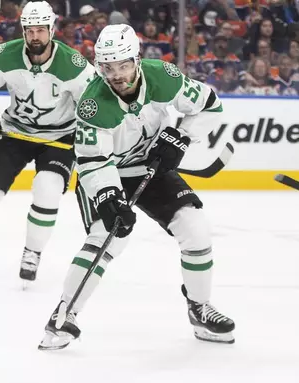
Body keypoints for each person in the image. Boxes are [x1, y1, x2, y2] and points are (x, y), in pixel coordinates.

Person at [39, 24, 235, 350]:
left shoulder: (164, 77)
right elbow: (92, 161)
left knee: (196, 228)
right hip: (108, 173)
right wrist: (109, 197)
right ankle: (64, 314)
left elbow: (210, 105)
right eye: (108, 67)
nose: (116, 74)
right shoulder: (93, 104)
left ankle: (199, 308)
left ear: (137, 59)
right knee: (108, 238)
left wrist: (181, 137)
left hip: (150, 167)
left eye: (123, 65)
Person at [0, 1, 95, 283]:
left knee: (47, 189)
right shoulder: (6, 55)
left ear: (51, 29)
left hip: (59, 137)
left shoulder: (74, 65)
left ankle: (33, 252)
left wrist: (90, 136)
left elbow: (94, 103)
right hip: (14, 132)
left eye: (40, 30)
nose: (35, 36)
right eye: (29, 30)